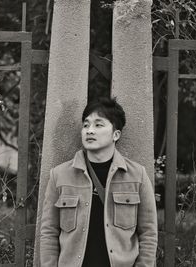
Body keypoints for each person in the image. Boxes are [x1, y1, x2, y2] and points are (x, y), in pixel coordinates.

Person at [39, 97, 157, 267]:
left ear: (116, 134)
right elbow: (49, 232)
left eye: (98, 125)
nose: (89, 131)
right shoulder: (59, 175)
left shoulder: (136, 176)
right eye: (86, 125)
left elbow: (148, 233)